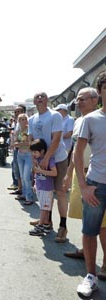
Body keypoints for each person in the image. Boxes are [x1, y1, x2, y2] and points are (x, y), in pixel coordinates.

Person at [63, 87, 106, 280]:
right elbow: (76, 152)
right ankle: (86, 255)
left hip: (94, 177)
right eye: (77, 99)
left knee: (103, 226)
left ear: (95, 99)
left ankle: (105, 263)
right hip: (86, 177)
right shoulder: (81, 121)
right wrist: (70, 172)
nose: (78, 102)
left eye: (83, 99)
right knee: (87, 222)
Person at [74, 72, 106, 297]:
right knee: (90, 231)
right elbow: (77, 155)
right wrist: (83, 186)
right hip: (97, 184)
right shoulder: (91, 119)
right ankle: (91, 276)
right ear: (101, 91)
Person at [28, 92, 69, 243]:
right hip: (41, 159)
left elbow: (57, 138)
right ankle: (46, 221)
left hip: (57, 158)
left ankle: (63, 226)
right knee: (45, 191)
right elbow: (31, 139)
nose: (39, 98)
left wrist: (46, 158)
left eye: (42, 96)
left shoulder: (54, 115)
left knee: (60, 192)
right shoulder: (32, 118)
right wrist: (34, 159)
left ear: (47, 100)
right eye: (37, 96)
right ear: (33, 100)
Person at [29, 139, 57, 236]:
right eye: (32, 152)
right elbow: (36, 174)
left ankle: (40, 226)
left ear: (42, 151)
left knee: (44, 209)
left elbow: (54, 173)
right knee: (44, 208)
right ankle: (46, 226)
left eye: (35, 152)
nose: (33, 154)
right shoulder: (37, 160)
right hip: (40, 188)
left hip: (47, 189)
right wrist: (35, 184)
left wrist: (41, 171)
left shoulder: (49, 160)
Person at [14, 113, 34, 205]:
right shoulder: (18, 131)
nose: (24, 120)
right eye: (22, 119)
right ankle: (24, 194)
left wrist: (19, 144)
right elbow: (14, 142)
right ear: (19, 121)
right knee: (22, 176)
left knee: (26, 177)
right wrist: (19, 143)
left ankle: (29, 197)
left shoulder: (29, 130)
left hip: (28, 154)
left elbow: (30, 143)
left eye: (25, 118)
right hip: (20, 155)